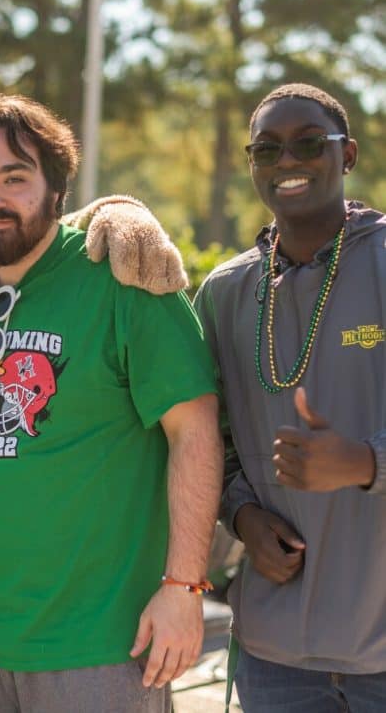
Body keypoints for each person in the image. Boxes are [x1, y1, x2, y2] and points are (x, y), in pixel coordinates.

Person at [0, 93, 223, 713]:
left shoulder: (124, 279)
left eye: (16, 178)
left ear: (56, 187)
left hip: (106, 643)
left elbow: (195, 433)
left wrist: (184, 587)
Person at [194, 83, 386, 712]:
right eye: (267, 150)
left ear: (348, 154)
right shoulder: (225, 293)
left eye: (309, 144)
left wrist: (363, 463)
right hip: (275, 657)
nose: (287, 163)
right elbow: (202, 442)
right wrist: (242, 515)